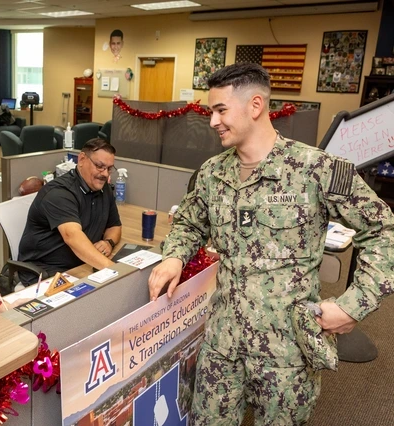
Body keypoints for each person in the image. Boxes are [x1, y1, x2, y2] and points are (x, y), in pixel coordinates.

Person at [148, 63, 394, 424]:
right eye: (210, 112)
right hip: (223, 342)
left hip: (287, 351)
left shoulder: (318, 169)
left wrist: (353, 305)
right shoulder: (212, 174)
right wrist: (174, 257)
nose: (213, 121)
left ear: (256, 105)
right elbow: (188, 222)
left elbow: (384, 232)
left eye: (220, 110)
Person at [18, 138, 122, 286]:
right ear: (81, 159)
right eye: (99, 166)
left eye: (109, 168)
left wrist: (108, 242)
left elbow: (115, 226)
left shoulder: (103, 188)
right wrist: (116, 272)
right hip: (45, 274)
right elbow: (72, 236)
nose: (105, 174)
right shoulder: (60, 193)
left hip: (80, 267)